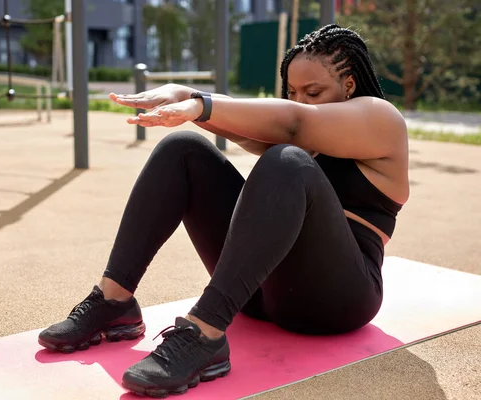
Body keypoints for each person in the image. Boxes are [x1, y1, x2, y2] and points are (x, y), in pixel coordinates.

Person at [38, 24, 409, 398]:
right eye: (293, 92)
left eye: (314, 92)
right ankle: (114, 300)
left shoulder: (382, 120)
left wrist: (200, 103)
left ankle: (204, 334)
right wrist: (185, 100)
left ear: (348, 84)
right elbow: (249, 129)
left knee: (287, 161)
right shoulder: (306, 127)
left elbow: (296, 124)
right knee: (182, 149)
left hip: (338, 301)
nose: (301, 101)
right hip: (261, 296)